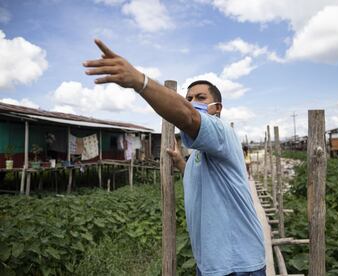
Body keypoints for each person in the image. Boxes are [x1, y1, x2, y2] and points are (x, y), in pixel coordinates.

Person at [83, 39, 265, 276]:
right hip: (211, 263)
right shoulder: (202, 151)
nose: (191, 103)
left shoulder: (221, 133)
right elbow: (202, 178)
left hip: (238, 264)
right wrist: (181, 163)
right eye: (188, 98)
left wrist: (140, 81)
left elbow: (188, 117)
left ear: (217, 108)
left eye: (200, 97)